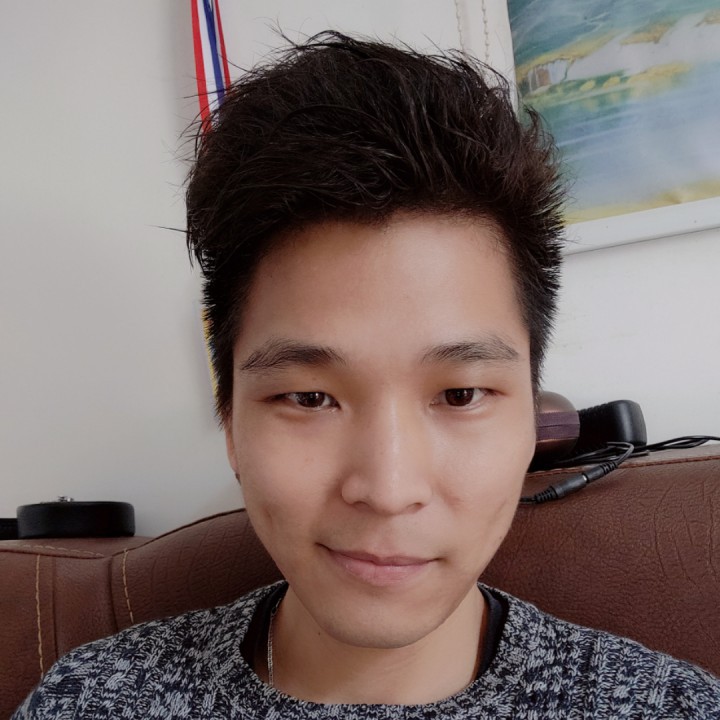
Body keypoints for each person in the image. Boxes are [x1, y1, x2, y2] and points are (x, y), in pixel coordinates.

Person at [13, 31, 720, 719]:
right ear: (230, 422)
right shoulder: (94, 699)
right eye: (310, 397)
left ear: (531, 418)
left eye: (460, 394)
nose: (388, 489)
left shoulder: (668, 706)